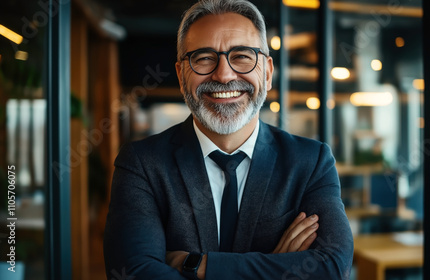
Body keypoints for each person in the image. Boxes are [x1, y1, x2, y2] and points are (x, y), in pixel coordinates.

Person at [103, 0, 353, 279]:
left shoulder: (311, 161)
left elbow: (332, 267)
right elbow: (132, 273)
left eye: (243, 56)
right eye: (203, 58)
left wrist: (198, 266)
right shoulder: (142, 164)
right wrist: (275, 265)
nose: (223, 75)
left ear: (268, 73)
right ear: (181, 75)